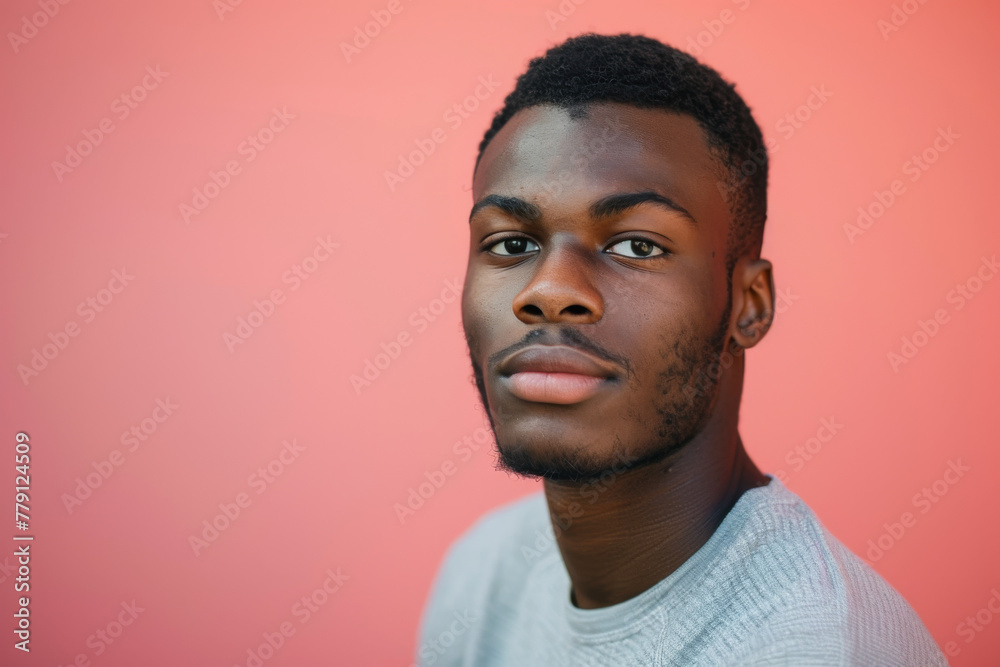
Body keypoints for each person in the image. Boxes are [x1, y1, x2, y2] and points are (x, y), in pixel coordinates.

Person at [415, 33, 947, 666]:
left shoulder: (817, 648)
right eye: (509, 244)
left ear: (749, 304)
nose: (548, 290)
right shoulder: (483, 576)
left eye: (637, 246)